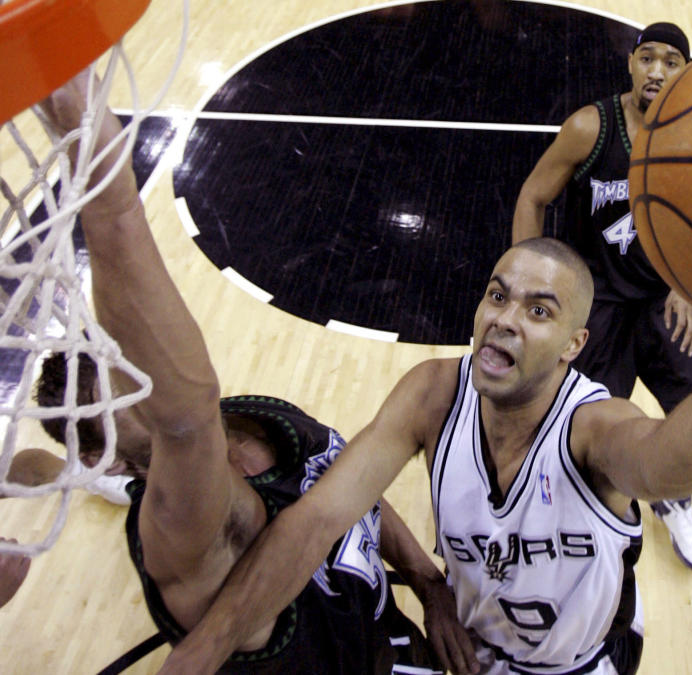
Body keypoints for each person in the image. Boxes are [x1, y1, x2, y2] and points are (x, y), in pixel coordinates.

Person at [157, 237, 692, 674]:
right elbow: (320, 515)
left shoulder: (592, 427)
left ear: (573, 346)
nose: (503, 320)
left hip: (575, 665)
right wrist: (208, 647)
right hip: (474, 645)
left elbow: (668, 463)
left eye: (538, 309)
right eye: (497, 295)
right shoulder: (432, 394)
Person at [38, 74, 470, 674]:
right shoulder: (179, 524)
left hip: (394, 644)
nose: (148, 384)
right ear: (112, 456)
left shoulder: (261, 416)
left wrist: (428, 582)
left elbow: (350, 484)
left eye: (131, 366)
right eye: (128, 401)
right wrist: (110, 199)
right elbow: (184, 420)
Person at [512, 22, 692, 570]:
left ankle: (673, 495)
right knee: (591, 422)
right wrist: (528, 280)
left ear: (686, 71)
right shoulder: (590, 128)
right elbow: (533, 194)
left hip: (658, 296)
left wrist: (684, 283)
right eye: (647, 58)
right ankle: (589, 514)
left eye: (671, 62)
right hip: (596, 302)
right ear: (630, 63)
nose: (657, 71)